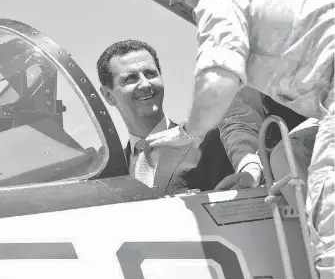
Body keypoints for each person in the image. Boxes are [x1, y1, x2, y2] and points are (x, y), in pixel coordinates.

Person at [150, 0, 334, 279]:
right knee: (288, 156)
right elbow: (237, 110)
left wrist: (190, 131)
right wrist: (250, 168)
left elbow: (217, 82)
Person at [96, 39, 265, 195]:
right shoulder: (110, 171)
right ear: (108, 95)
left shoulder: (212, 142)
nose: (145, 84)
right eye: (130, 79)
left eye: (150, 74)